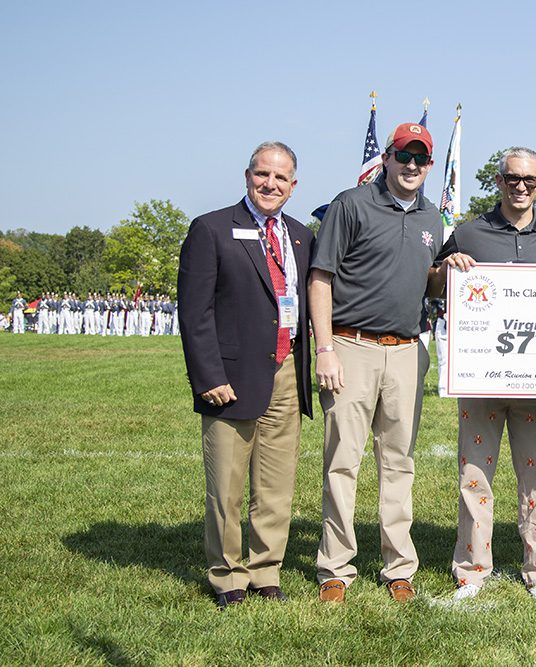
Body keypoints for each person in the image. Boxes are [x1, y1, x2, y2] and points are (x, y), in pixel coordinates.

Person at [310, 122, 444, 604]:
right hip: (351, 345)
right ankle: (335, 567)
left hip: (407, 350)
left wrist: (451, 273)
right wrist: (324, 347)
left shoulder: (434, 217)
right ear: (385, 158)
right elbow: (321, 277)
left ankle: (398, 567)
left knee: (399, 463)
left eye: (420, 158)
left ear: (429, 165)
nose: (411, 166)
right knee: (342, 461)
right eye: (403, 156)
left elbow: (426, 282)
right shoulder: (352, 203)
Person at [435, 147, 536, 605]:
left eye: (530, 180)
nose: (521, 186)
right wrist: (446, 268)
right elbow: (434, 284)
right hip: (480, 377)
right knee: (475, 475)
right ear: (498, 181)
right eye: (512, 178)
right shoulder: (470, 232)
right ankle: (472, 569)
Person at [177, 141, 314, 609]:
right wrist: (208, 375)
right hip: (230, 379)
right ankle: (227, 576)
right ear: (247, 175)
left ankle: (265, 569)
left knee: (276, 485)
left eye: (281, 178)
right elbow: (194, 313)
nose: (270, 184)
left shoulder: (300, 236)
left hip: (287, 373)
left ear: (293, 186)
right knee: (226, 487)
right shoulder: (211, 229)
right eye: (262, 174)